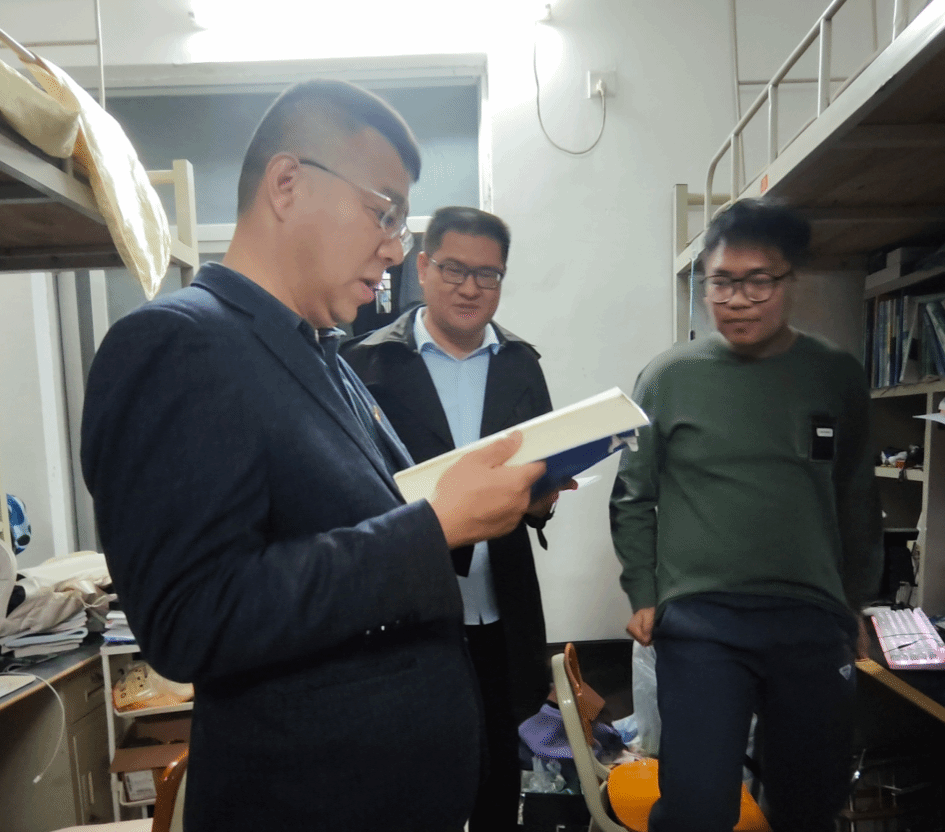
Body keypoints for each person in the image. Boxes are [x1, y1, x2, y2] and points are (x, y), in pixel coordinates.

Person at [81, 79, 545, 832]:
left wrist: (470, 498)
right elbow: (191, 618)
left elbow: (351, 523)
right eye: (384, 211)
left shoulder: (323, 355)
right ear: (287, 183)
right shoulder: (178, 344)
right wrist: (436, 526)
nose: (396, 248)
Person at [608, 198, 883, 832]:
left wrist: (854, 603)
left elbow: (856, 495)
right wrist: (643, 593)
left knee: (808, 803)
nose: (737, 300)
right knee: (697, 806)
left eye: (758, 281)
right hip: (701, 620)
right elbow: (633, 492)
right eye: (721, 282)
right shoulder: (668, 377)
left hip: (811, 617)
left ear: (790, 279)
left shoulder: (835, 375)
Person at [344, 206, 565, 831]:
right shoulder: (367, 367)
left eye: (488, 275)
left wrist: (543, 501)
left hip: (501, 607)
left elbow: (537, 475)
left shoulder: (521, 364)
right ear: (422, 267)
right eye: (454, 270)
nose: (471, 288)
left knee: (498, 771)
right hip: (407, 608)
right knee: (416, 773)